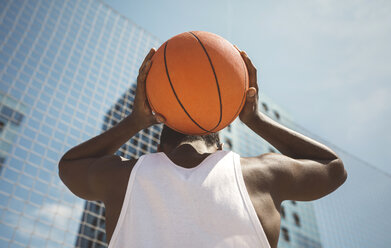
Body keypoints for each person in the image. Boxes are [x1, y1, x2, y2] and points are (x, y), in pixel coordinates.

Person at [58, 47, 347, 248]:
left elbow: (69, 167)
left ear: (159, 144)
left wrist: (135, 121)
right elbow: (333, 169)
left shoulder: (125, 177)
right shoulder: (260, 175)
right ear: (220, 144)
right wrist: (254, 119)